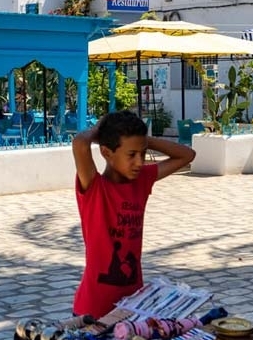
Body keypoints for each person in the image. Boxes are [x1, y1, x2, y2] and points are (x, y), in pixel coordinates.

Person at [72, 110, 195, 318]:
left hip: (133, 304)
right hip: (93, 308)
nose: (139, 162)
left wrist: (143, 141)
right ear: (107, 153)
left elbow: (187, 155)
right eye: (131, 155)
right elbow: (80, 144)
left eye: (143, 154)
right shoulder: (94, 187)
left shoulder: (142, 180)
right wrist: (99, 130)